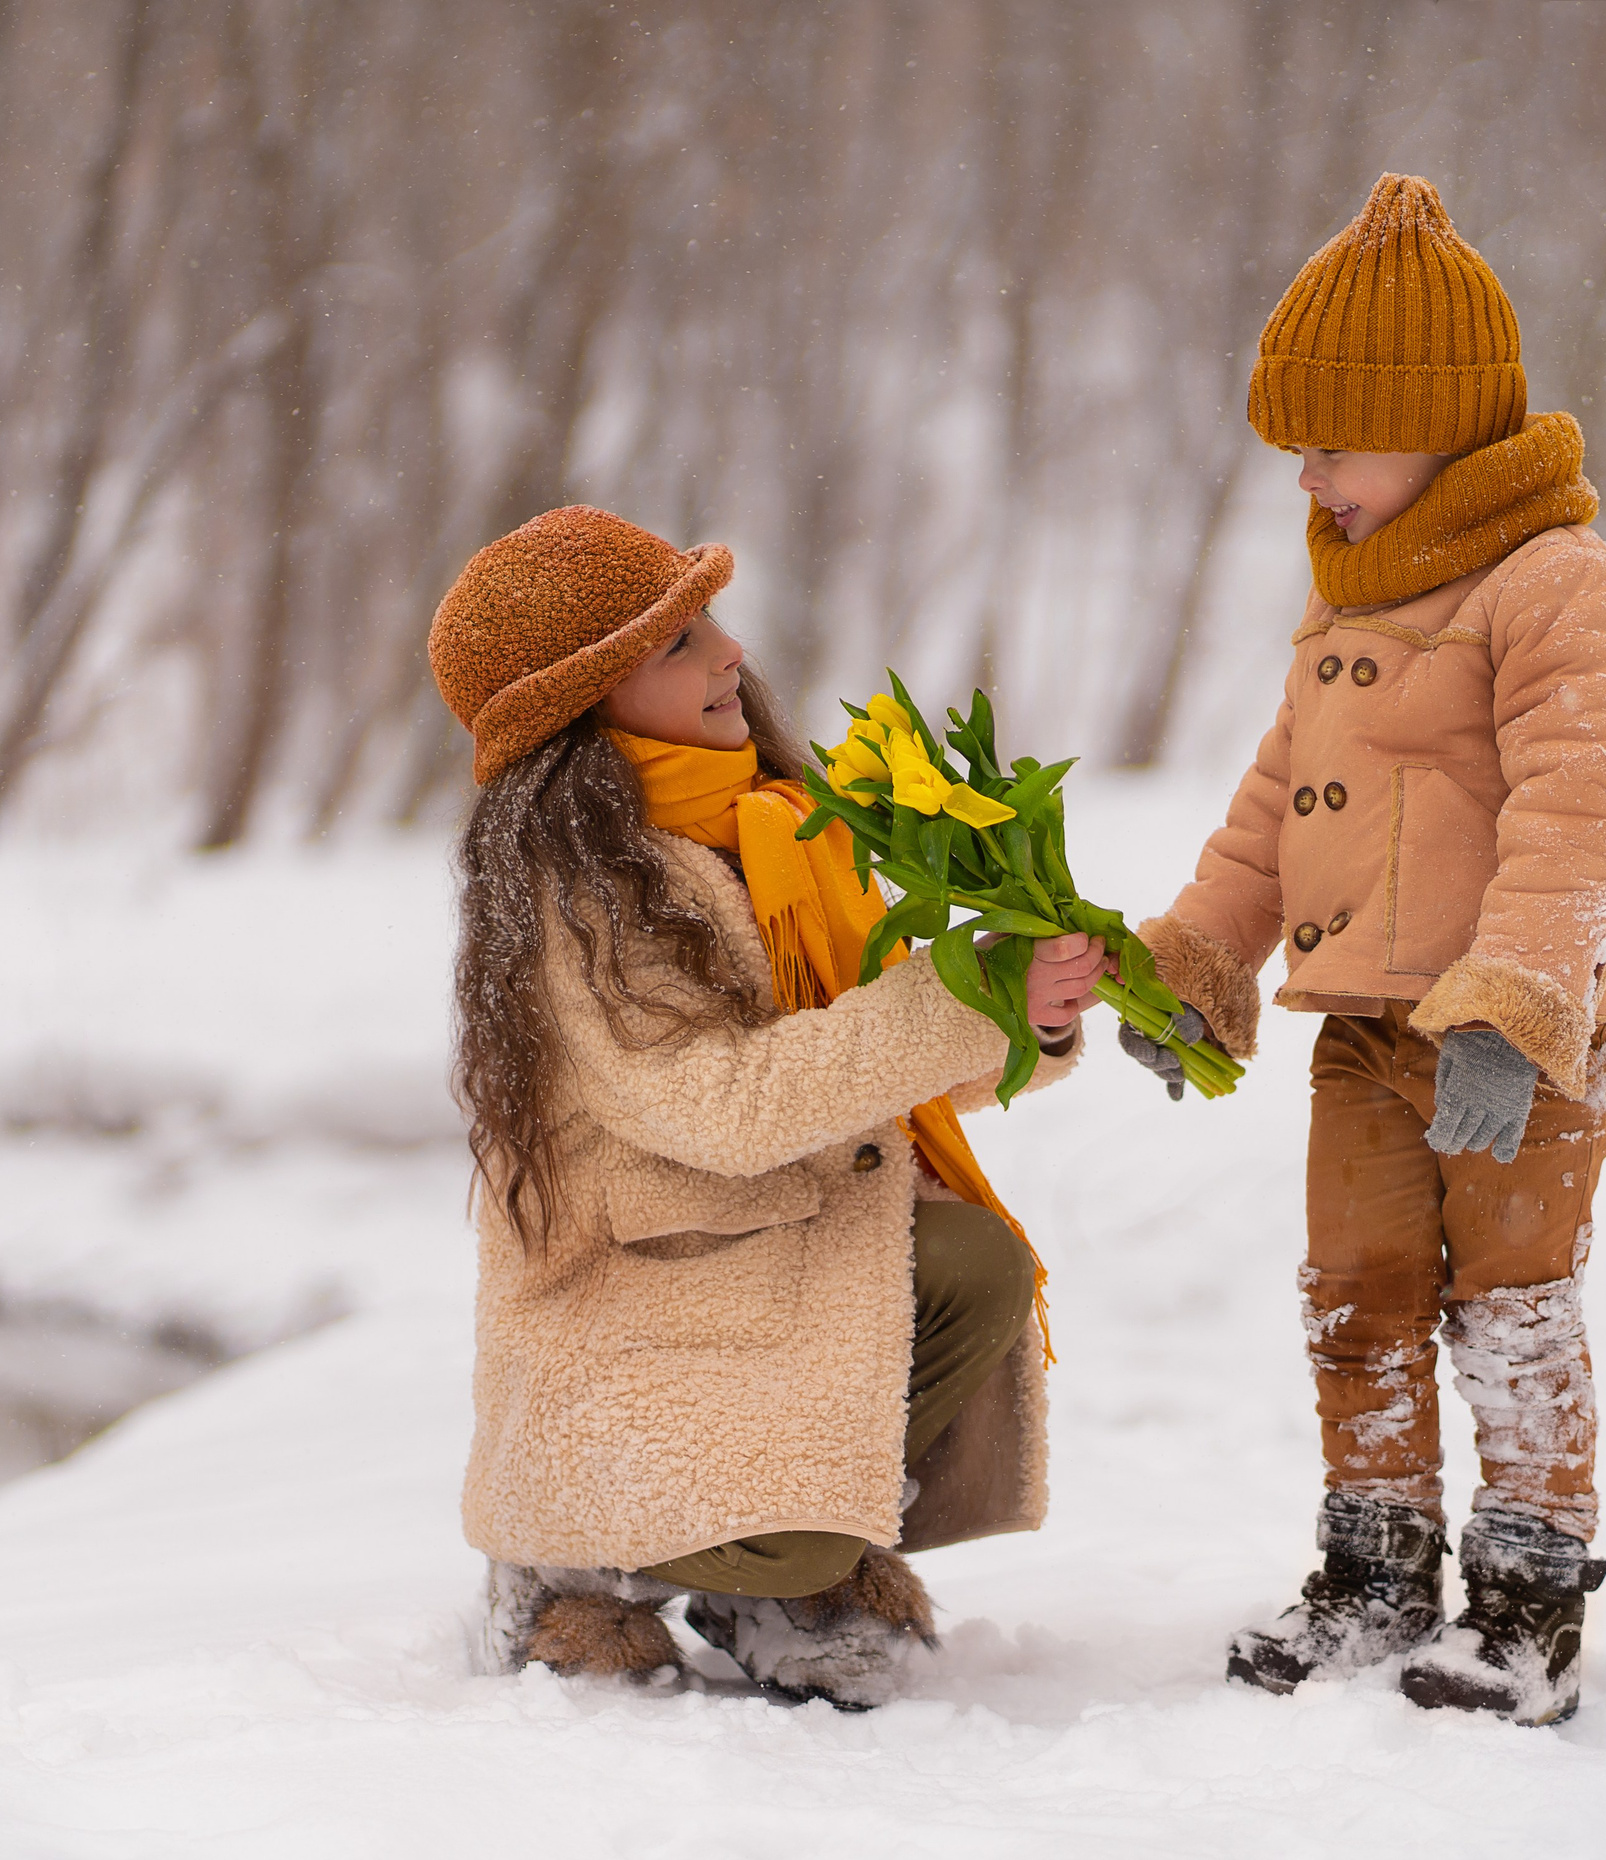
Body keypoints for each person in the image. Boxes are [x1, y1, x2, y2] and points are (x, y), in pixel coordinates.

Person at [1121, 175, 1606, 1724]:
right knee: (1354, 1292)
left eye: (1333, 441)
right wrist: (1197, 967)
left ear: (1433, 427)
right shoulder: (1346, 607)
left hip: (1523, 1039)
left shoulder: (1564, 589)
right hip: (1362, 1024)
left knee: (1511, 1300)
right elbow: (1272, 816)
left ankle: (1526, 1596)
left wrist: (1518, 1008)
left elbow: (1585, 813)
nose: (1308, 473)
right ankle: (1374, 1570)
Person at [432, 504, 1104, 1708]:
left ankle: (777, 1573)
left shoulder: (771, 825)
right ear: (586, 705)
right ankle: (569, 1557)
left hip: (769, 1250)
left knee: (971, 1262)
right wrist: (958, 997)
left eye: (711, 625)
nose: (729, 653)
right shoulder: (581, 887)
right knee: (790, 1523)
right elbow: (730, 1104)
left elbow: (843, 1049)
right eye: (677, 644)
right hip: (643, 1294)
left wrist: (1022, 1013)